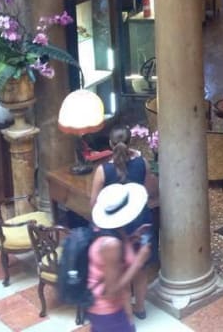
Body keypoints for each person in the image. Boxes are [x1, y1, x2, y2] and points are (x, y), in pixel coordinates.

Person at [89, 127, 154, 320]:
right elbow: (147, 190)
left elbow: (94, 203)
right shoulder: (142, 163)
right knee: (140, 268)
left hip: (115, 226)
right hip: (141, 220)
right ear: (131, 142)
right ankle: (140, 307)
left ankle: (127, 315)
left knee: (119, 268)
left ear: (110, 144)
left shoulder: (103, 171)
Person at [87, 183, 153, 332]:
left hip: (107, 307)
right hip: (106, 310)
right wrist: (138, 261)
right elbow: (111, 292)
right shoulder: (112, 244)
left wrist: (131, 239)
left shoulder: (111, 230)